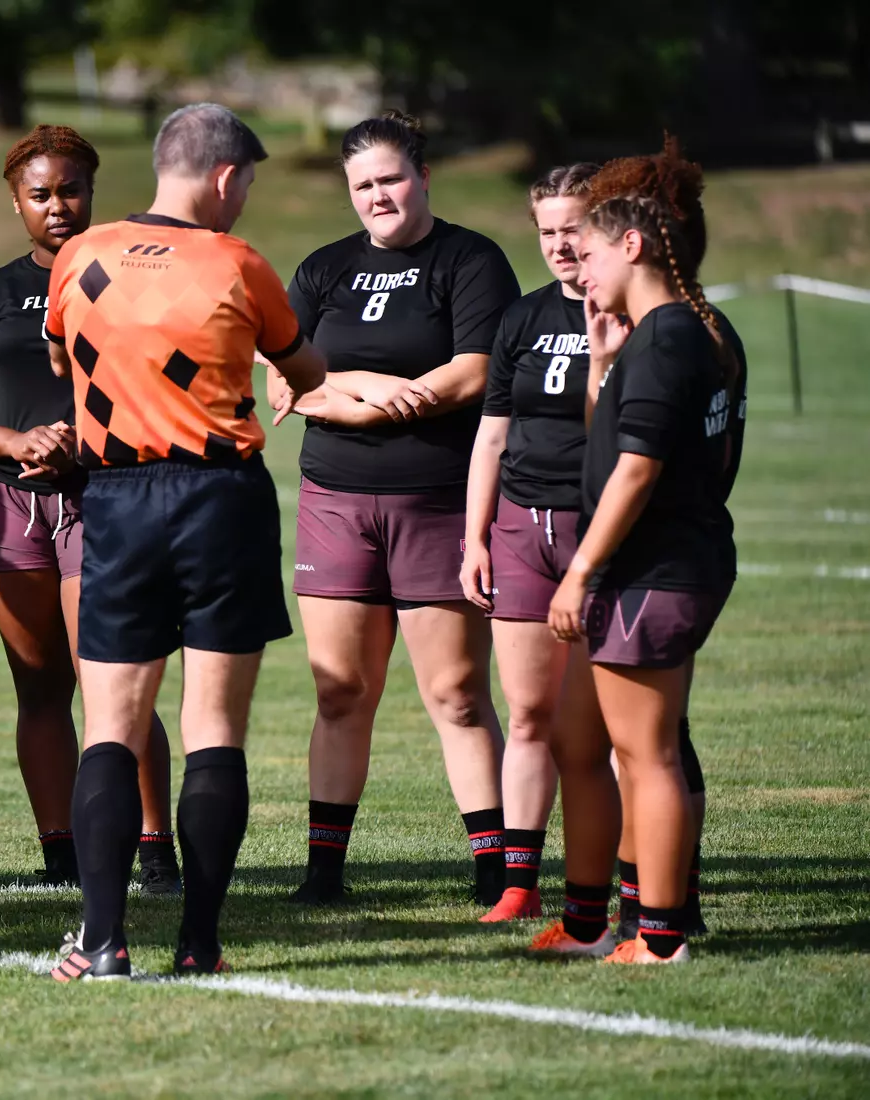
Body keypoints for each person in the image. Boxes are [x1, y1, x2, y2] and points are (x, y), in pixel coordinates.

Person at [44, 103, 329, 981]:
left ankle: (101, 939)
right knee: (214, 730)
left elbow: (61, 359)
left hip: (119, 501)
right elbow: (303, 370)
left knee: (110, 729)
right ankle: (200, 941)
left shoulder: (80, 254)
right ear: (225, 177)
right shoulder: (238, 262)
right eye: (248, 184)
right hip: (222, 500)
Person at [270, 111, 520, 907]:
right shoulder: (323, 269)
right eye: (363, 185)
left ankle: (496, 869)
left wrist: (336, 396)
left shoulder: (471, 259)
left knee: (454, 693)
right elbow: (281, 380)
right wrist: (374, 399)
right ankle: (323, 874)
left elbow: (475, 369)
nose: (379, 195)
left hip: (437, 500)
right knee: (340, 690)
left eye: (391, 178)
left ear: (423, 177)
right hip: (335, 502)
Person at [0, 124, 181, 893]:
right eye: (40, 194)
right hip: (10, 505)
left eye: (71, 189)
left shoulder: (133, 279)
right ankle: (59, 855)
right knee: (39, 687)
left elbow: (170, 393)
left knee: (112, 679)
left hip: (107, 499)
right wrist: (17, 441)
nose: (58, 206)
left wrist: (96, 443)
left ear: (94, 192)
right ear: (17, 204)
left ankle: (155, 849)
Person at [534, 140, 746, 964]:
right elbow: (620, 442)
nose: (577, 270)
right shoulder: (677, 329)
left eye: (586, 253)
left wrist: (580, 569)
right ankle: (591, 923)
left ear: (632, 245)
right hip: (646, 567)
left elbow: (637, 469)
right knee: (578, 742)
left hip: (649, 571)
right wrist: (598, 365)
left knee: (645, 754)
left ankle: (658, 937)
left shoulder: (670, 340)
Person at [459, 163, 599, 922]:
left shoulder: (637, 314)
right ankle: (519, 883)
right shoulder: (521, 318)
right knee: (528, 715)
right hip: (520, 531)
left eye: (572, 227)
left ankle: (659, 879)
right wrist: (475, 537)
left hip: (600, 534)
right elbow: (491, 436)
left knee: (617, 723)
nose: (559, 245)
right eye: (547, 231)